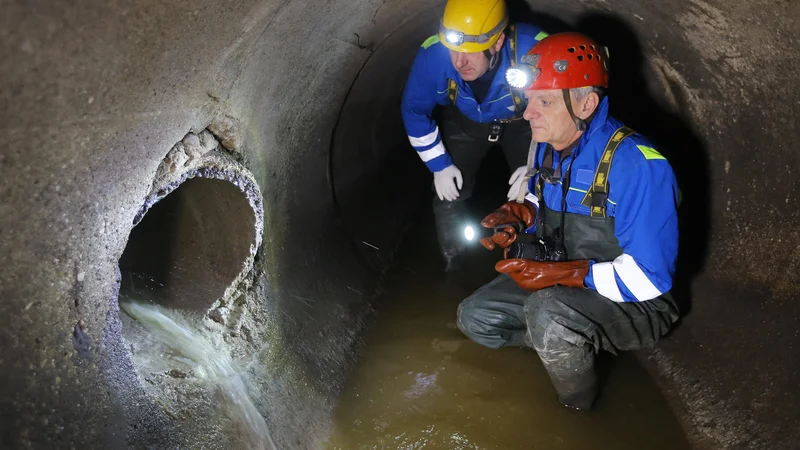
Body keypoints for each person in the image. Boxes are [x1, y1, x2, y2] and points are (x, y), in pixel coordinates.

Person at [456, 32, 681, 411]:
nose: (527, 114)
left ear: (587, 104)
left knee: (549, 313)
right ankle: (567, 343)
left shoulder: (638, 165)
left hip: (641, 302)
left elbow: (649, 278)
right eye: (529, 101)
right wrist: (521, 215)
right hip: (565, 283)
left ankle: (579, 409)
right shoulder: (551, 146)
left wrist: (561, 276)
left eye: (543, 101)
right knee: (475, 317)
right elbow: (542, 199)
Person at [401, 0, 549, 272]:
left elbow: (566, 114)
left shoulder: (537, 49)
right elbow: (414, 111)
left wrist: (537, 165)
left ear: (497, 42)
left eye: (471, 51)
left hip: (526, 124)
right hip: (465, 121)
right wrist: (439, 165)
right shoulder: (434, 55)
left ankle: (532, 260)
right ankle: (452, 265)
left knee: (538, 192)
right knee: (446, 194)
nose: (460, 61)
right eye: (454, 49)